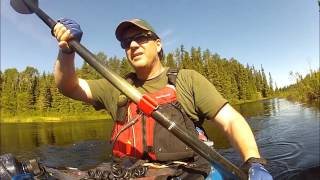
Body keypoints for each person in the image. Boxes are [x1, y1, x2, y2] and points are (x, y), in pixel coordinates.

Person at [52, 18, 273, 180]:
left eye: (140, 38)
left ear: (158, 44)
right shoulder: (116, 88)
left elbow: (231, 121)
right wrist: (67, 51)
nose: (132, 45)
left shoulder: (186, 80)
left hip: (185, 173)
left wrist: (253, 161)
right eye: (126, 43)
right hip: (128, 172)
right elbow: (68, 86)